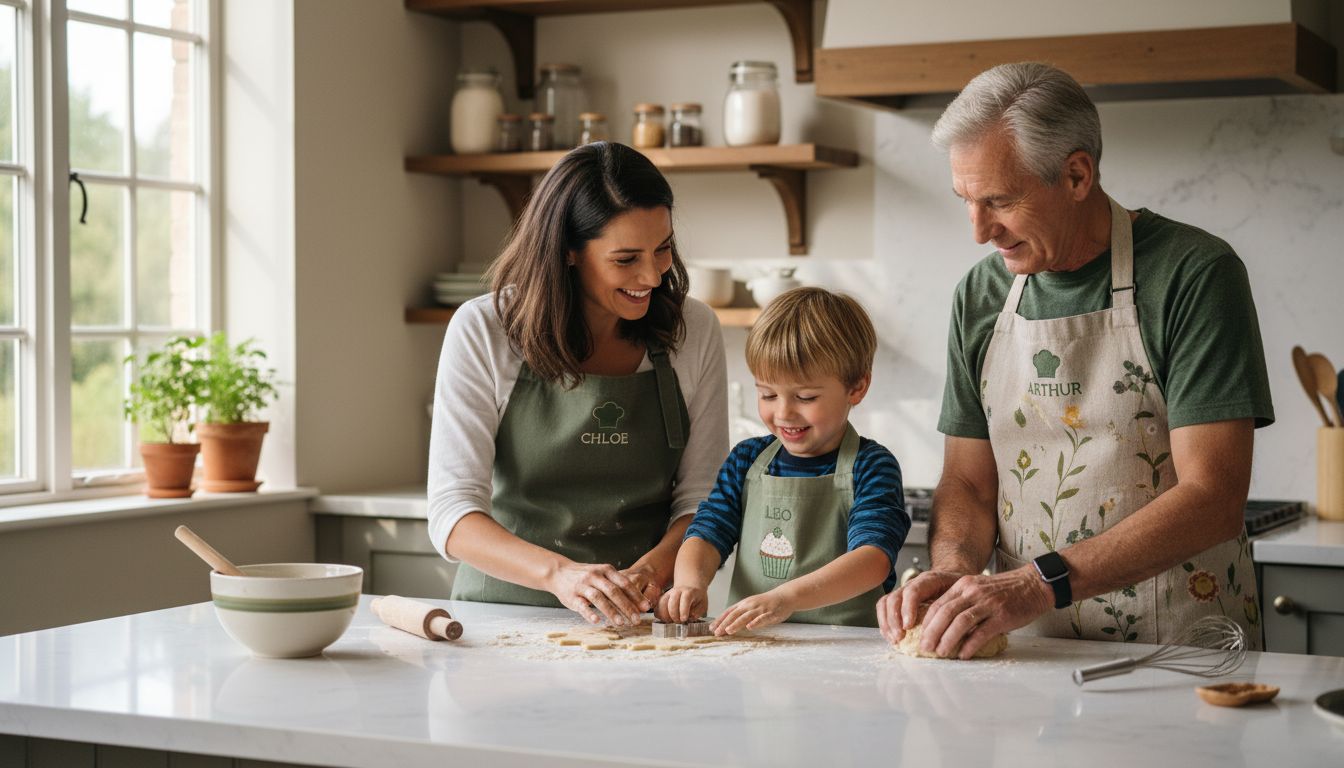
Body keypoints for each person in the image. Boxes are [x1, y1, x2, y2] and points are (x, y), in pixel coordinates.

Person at [877, 62, 1273, 658]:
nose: (980, 230)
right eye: (965, 200)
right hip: (1029, 651)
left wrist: (1036, 583)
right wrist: (957, 573)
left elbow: (1212, 496)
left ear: (1077, 175)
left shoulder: (1194, 274)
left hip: (1177, 650)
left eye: (1000, 200)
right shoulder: (980, 295)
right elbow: (968, 482)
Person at [427, 142, 728, 627]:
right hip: (502, 619)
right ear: (567, 250)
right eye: (626, 258)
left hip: (643, 621)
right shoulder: (484, 329)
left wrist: (653, 568)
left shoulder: (692, 330)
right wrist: (561, 575)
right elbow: (451, 511)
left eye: (663, 248)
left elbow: (704, 497)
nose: (651, 276)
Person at [659, 287, 909, 633]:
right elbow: (707, 531)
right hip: (753, 648)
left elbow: (873, 559)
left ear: (857, 387)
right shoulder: (747, 459)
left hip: (847, 652)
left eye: (805, 396)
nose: (784, 412)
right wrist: (689, 583)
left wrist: (786, 598)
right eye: (767, 394)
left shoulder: (871, 466)